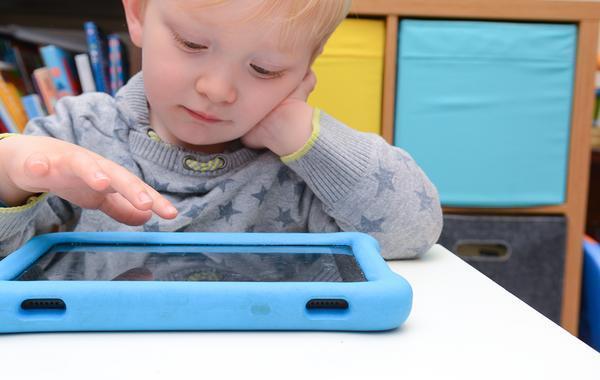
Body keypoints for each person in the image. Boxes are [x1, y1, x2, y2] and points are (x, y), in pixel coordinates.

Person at [0, 0, 442, 266]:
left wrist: (300, 133)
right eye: (192, 44)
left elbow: (413, 232)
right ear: (138, 12)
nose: (217, 90)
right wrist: (12, 175)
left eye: (264, 69)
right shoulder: (77, 132)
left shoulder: (301, 165)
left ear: (306, 66)